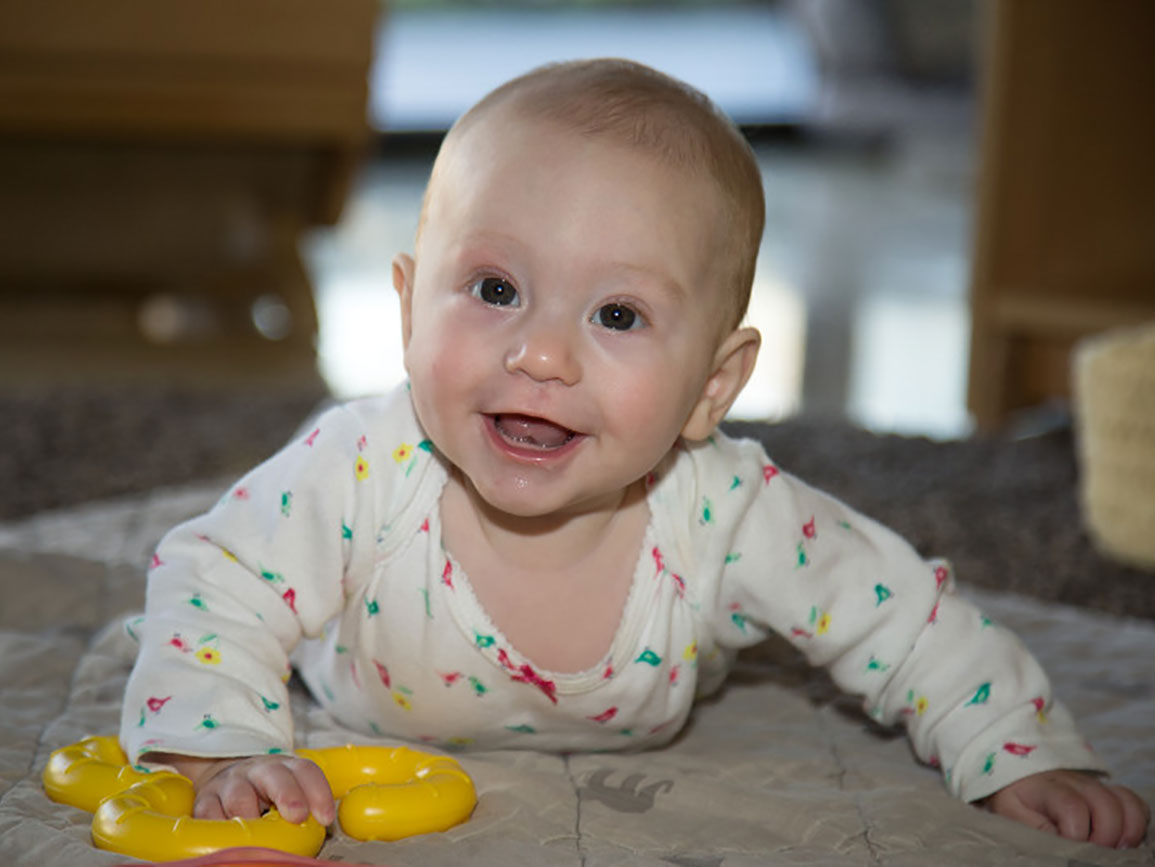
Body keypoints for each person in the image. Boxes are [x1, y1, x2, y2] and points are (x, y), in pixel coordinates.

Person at [120, 58, 1150, 849]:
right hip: (353, 696)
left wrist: (1021, 756)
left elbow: (902, 617)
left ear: (713, 385)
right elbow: (217, 577)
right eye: (493, 289)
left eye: (618, 313)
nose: (539, 352)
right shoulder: (363, 468)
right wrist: (219, 745)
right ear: (404, 308)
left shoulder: (726, 515)